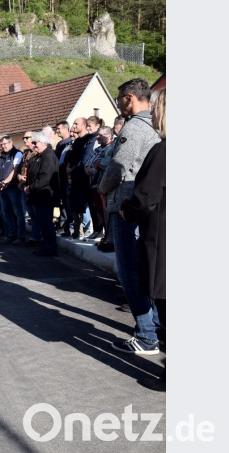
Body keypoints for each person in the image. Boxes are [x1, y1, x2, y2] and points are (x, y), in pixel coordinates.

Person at [100, 78, 162, 355]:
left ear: (130, 98)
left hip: (127, 205)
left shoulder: (135, 127)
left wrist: (102, 190)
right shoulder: (156, 126)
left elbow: (117, 167)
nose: (118, 102)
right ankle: (155, 327)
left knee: (130, 272)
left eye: (119, 98)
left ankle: (147, 335)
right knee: (146, 271)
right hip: (147, 206)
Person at [121, 87, 166, 356]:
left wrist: (128, 209)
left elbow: (146, 194)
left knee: (166, 303)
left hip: (162, 235)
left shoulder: (165, 150)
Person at [24, 131, 60, 256]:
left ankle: (50, 248)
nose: (33, 145)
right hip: (38, 196)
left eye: (35, 142)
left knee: (46, 223)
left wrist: (30, 188)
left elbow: (45, 177)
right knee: (42, 223)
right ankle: (46, 246)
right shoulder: (39, 156)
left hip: (45, 195)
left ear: (44, 142)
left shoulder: (48, 156)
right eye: (32, 142)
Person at [0, 134, 26, 243]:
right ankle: (11, 234)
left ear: (10, 142)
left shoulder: (17, 153)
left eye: (4, 144)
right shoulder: (2, 155)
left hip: (13, 188)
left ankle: (20, 236)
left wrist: (5, 182)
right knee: (6, 212)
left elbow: (15, 170)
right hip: (3, 188)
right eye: (1, 144)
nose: (3, 146)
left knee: (18, 212)